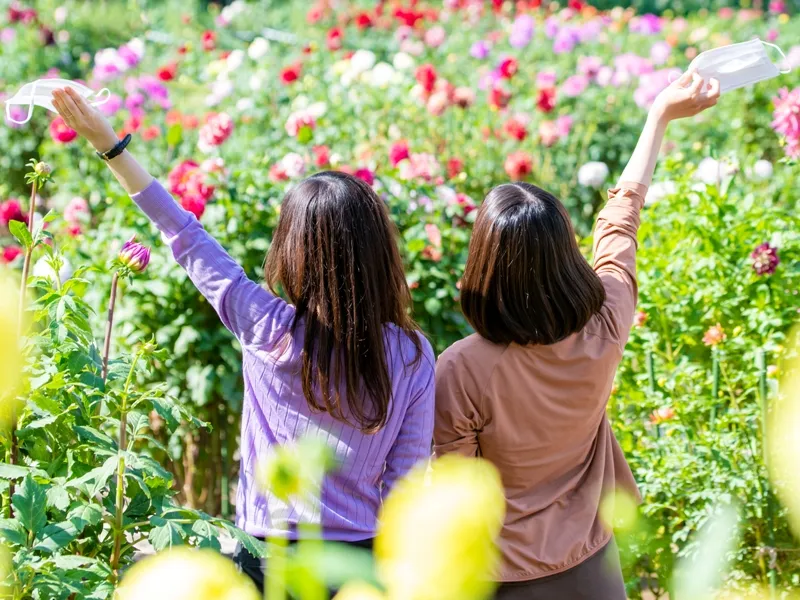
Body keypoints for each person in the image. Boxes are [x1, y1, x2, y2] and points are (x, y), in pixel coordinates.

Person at [51, 87, 435, 593]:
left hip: (265, 556)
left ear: (293, 250)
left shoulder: (265, 325)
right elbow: (406, 486)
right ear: (379, 252)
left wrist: (110, 146)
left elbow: (182, 233)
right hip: (362, 566)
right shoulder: (410, 354)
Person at [434, 71, 720, 599]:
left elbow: (457, 493)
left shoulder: (462, 368)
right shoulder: (606, 324)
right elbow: (620, 223)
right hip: (593, 567)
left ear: (483, 266)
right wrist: (658, 116)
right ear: (567, 257)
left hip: (500, 578)